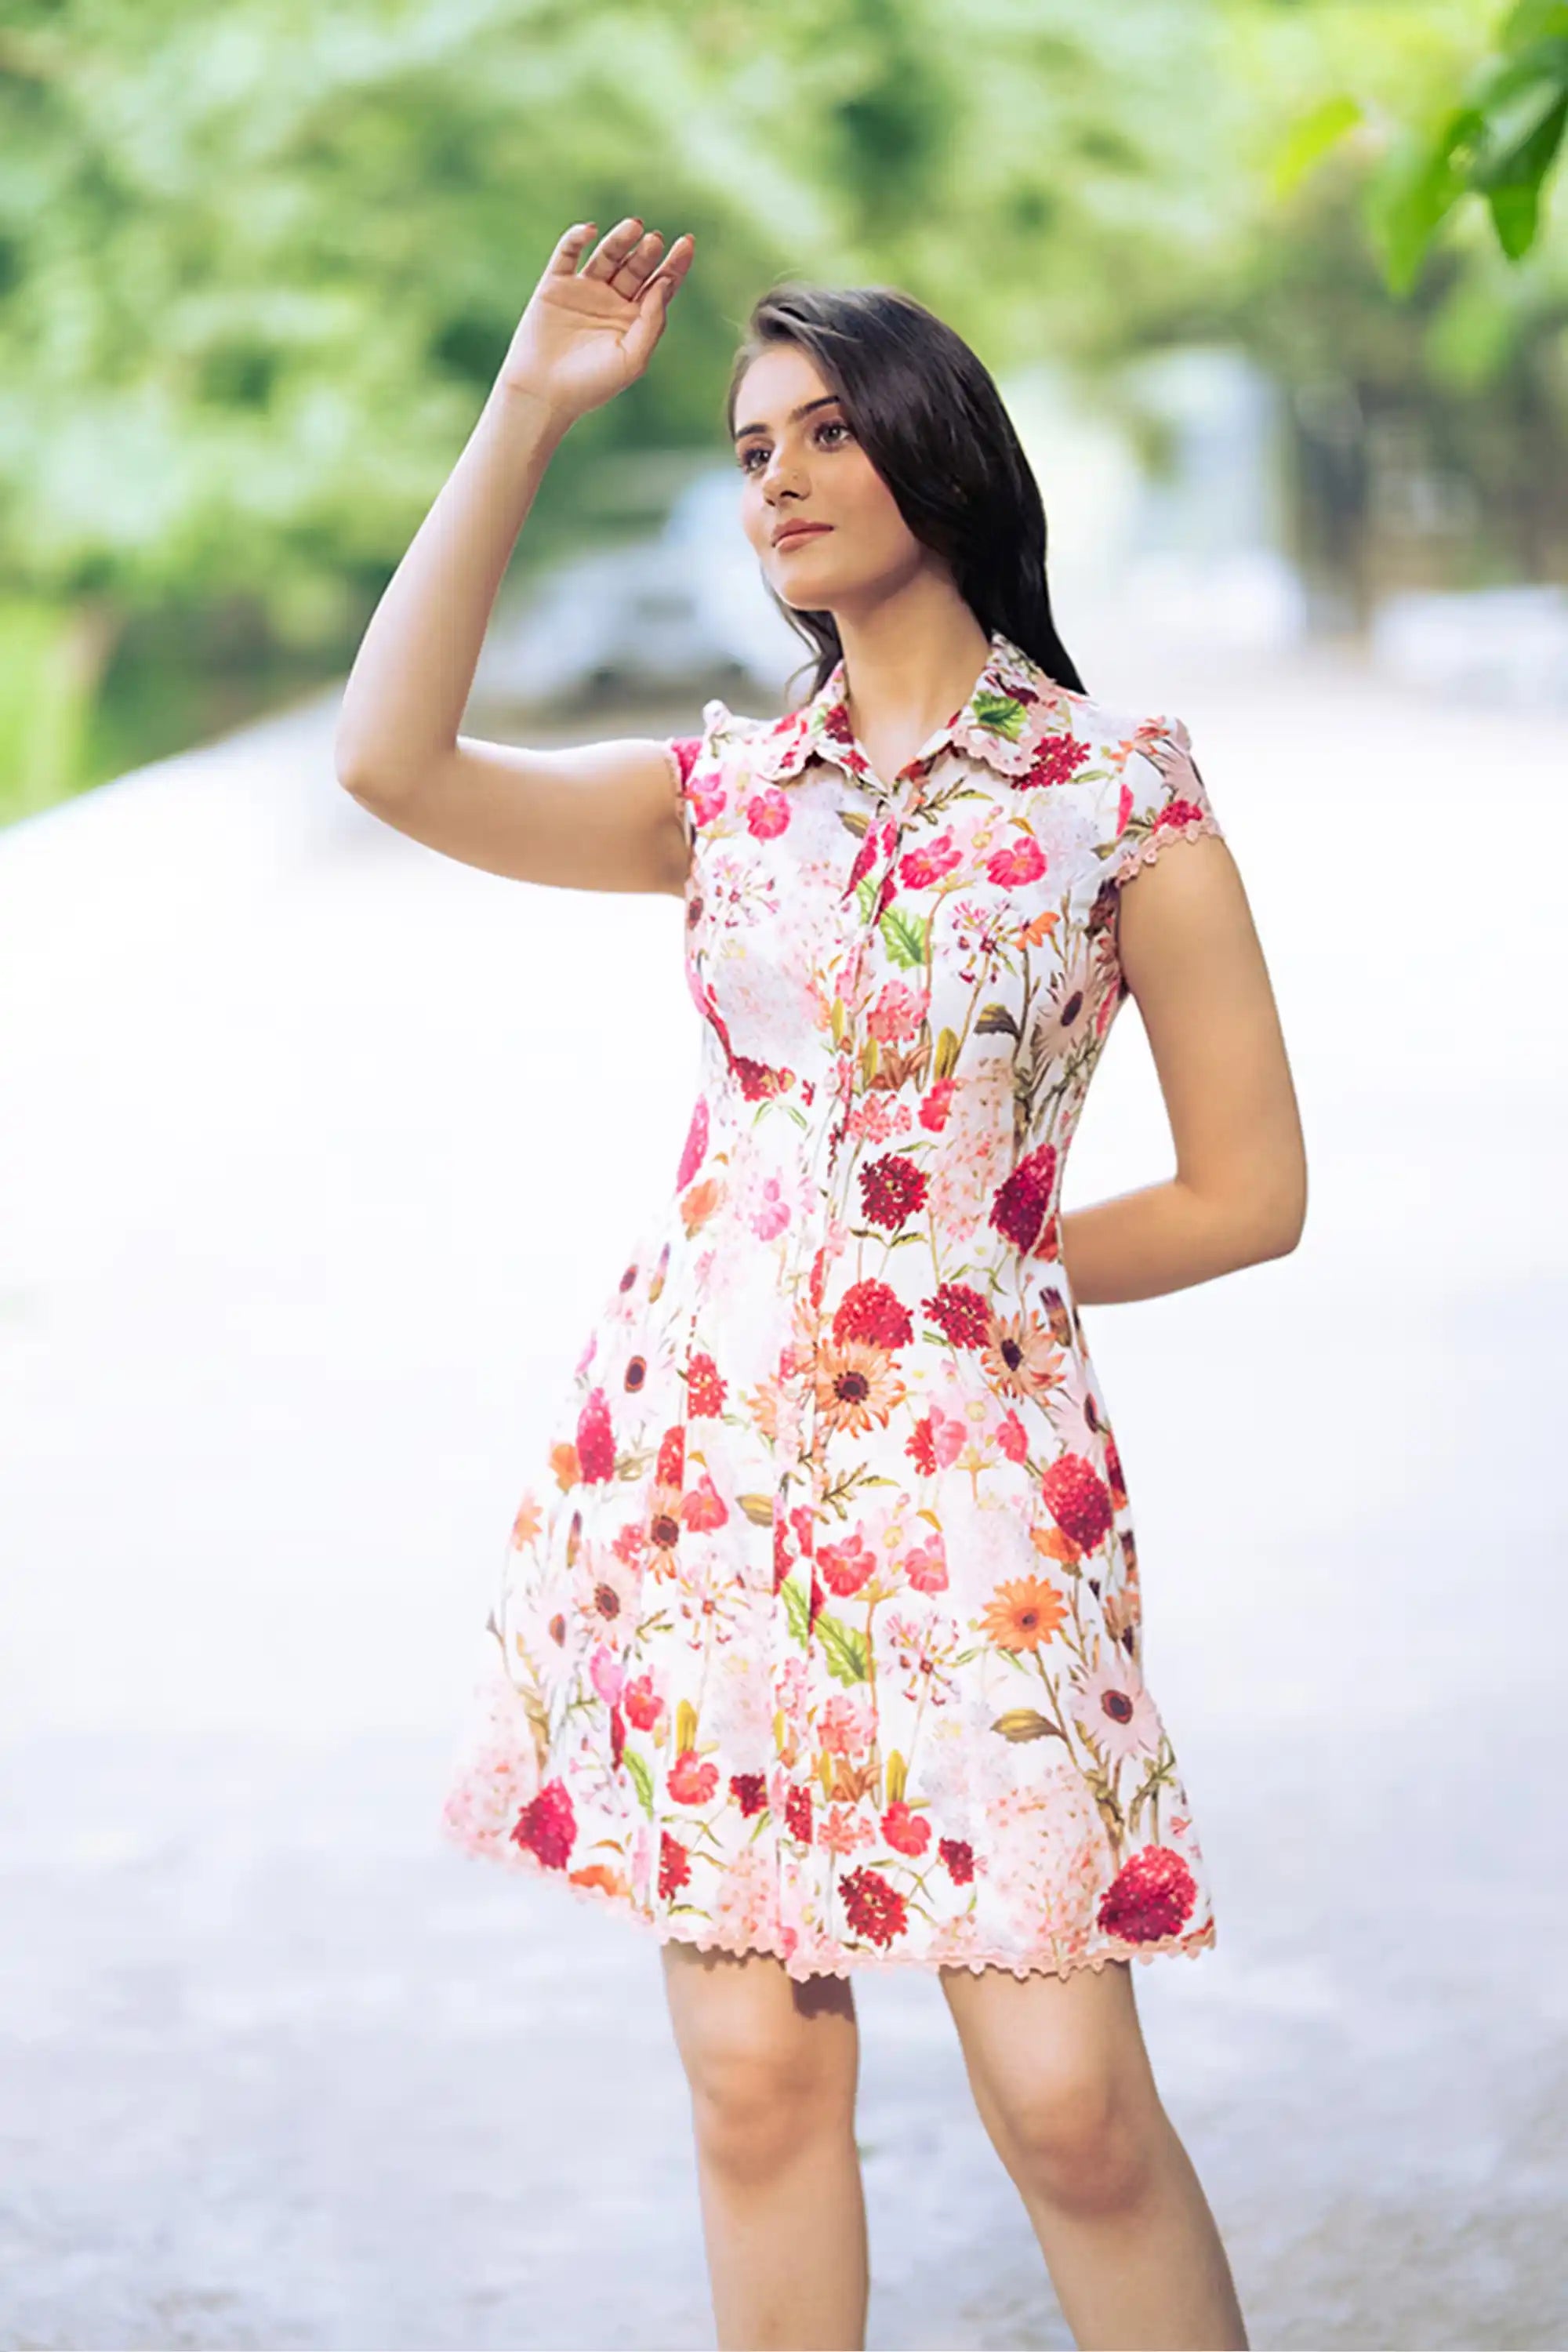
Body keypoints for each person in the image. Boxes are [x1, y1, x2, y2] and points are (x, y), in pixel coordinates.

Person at [336, 213, 1305, 2352]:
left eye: (822, 431)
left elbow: (1248, 1194)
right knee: (760, 2085)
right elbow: (389, 761)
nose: (770, 475)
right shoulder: (726, 798)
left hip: (977, 1515)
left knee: (1070, 2107)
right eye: (747, 443)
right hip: (696, 1493)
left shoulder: (1118, 803)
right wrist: (523, 408)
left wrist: (991, 1278)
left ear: (941, 461)